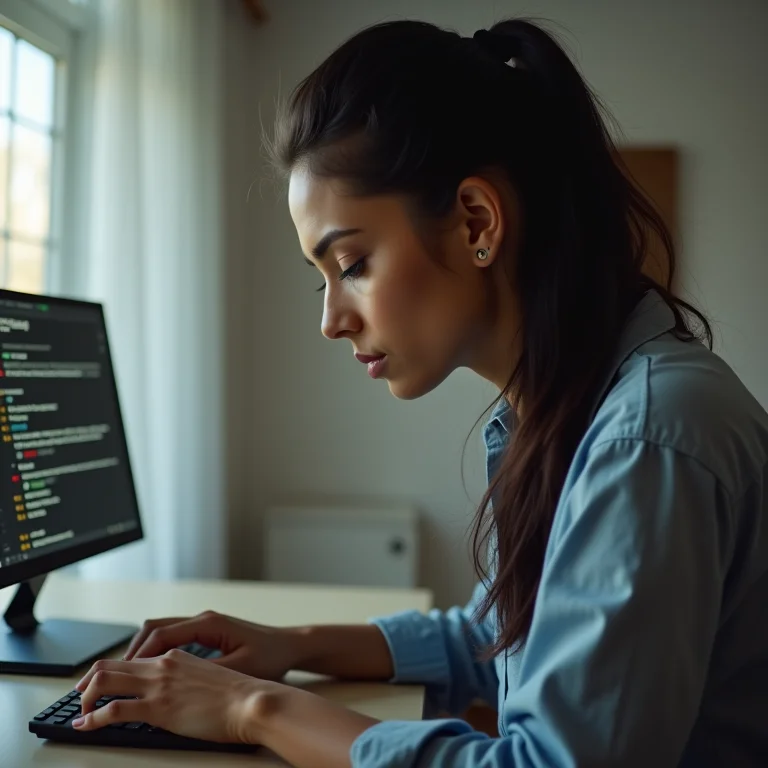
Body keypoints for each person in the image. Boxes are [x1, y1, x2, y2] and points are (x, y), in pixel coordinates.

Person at [72, 18, 768, 768]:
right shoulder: (564, 407)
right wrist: (290, 646)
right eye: (323, 276)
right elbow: (493, 637)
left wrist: (254, 708)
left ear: (477, 220)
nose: (331, 321)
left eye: (354, 262)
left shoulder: (648, 437)